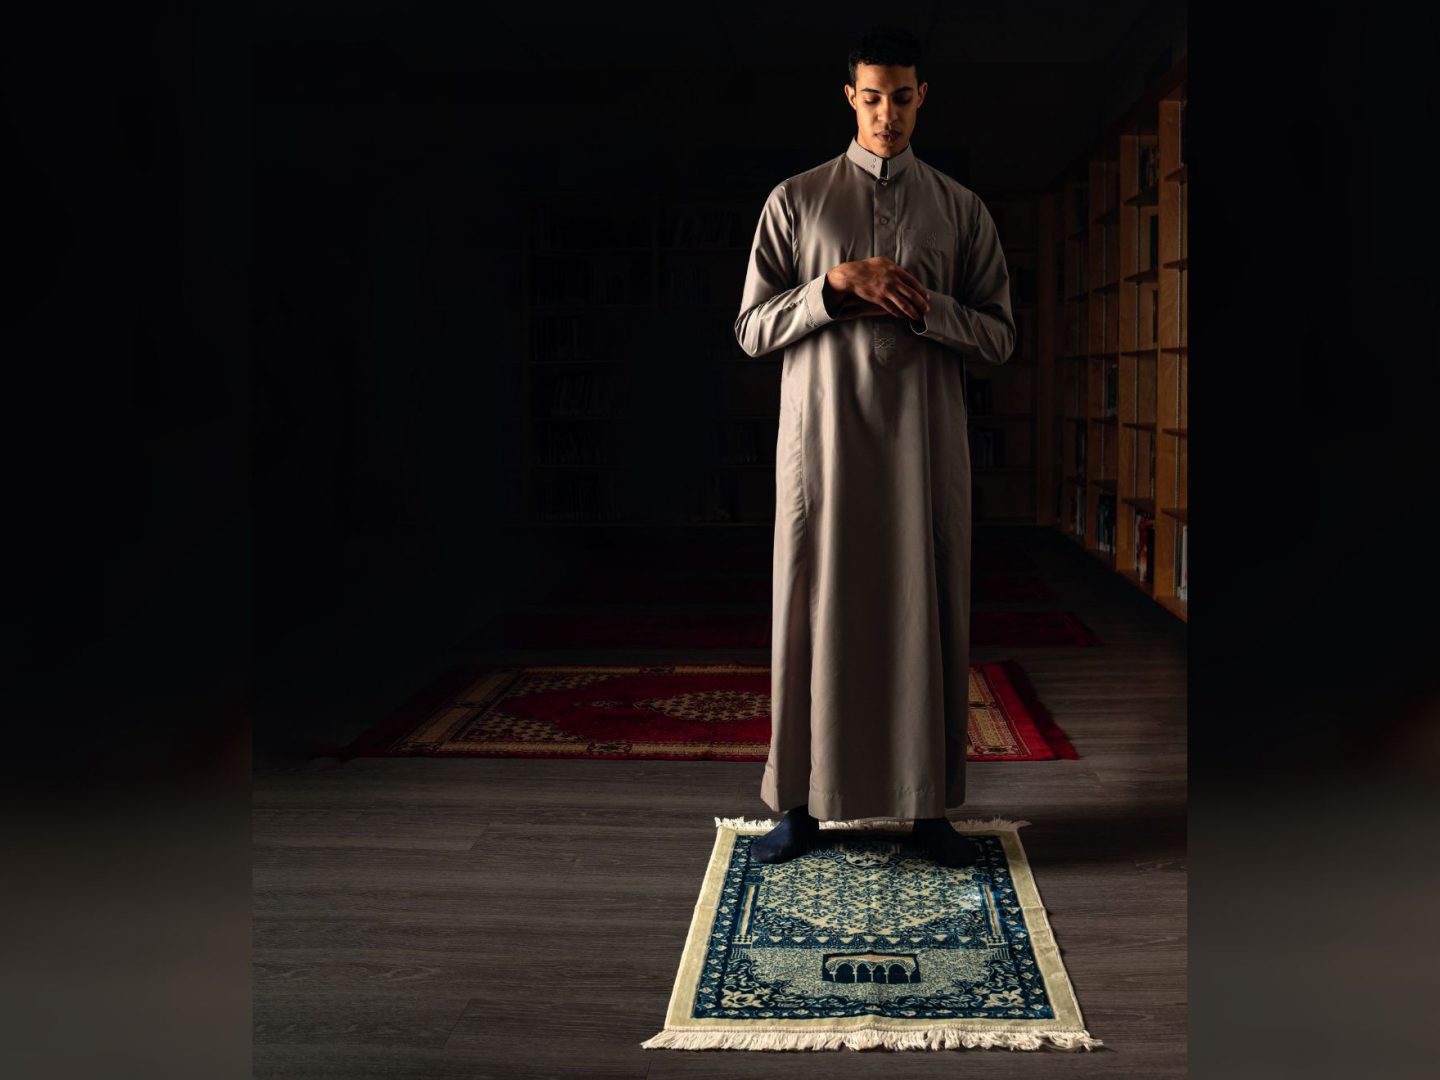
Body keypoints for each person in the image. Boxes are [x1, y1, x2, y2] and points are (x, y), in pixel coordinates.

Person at [733, 26, 1016, 867]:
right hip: (819, 455)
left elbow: (1000, 338)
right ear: (849, 96)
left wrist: (929, 306)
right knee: (810, 616)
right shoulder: (797, 199)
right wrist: (833, 285)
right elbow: (751, 329)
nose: (886, 114)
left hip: (923, 454)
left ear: (922, 95)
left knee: (921, 617)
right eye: (871, 97)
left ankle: (926, 809)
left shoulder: (961, 209)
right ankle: (800, 805)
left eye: (901, 96)